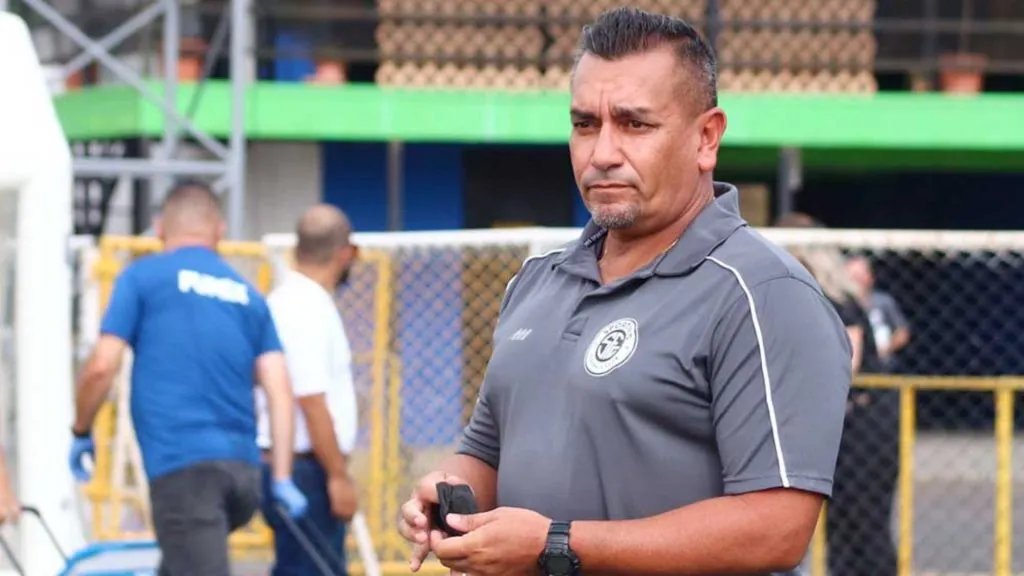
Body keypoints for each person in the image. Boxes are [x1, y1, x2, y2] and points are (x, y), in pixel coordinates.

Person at [396, 7, 852, 576]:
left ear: (706, 137)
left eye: (635, 124)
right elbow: (487, 450)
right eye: (585, 124)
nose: (602, 153)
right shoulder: (537, 281)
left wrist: (555, 545)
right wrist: (449, 491)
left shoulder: (763, 295)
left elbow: (775, 529)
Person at [68, 181, 309, 576]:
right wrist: (281, 477)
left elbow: (101, 366)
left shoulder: (142, 278)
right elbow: (279, 389)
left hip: (186, 472)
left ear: (159, 228)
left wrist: (81, 429)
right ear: (220, 231)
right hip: (243, 475)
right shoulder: (248, 295)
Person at [785, 225, 898, 576]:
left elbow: (847, 364)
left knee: (863, 519)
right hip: (841, 423)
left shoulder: (837, 303)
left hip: (862, 421)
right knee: (842, 522)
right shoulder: (821, 300)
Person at [257, 204, 360, 575]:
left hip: (300, 465)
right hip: (305, 468)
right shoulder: (304, 306)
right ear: (345, 253)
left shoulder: (289, 300)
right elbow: (311, 400)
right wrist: (337, 477)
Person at [845, 255, 912, 371]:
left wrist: (885, 348)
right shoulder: (843, 306)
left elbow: (903, 332)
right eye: (853, 276)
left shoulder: (883, 302)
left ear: (870, 277)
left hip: (883, 364)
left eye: (861, 275)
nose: (857, 280)